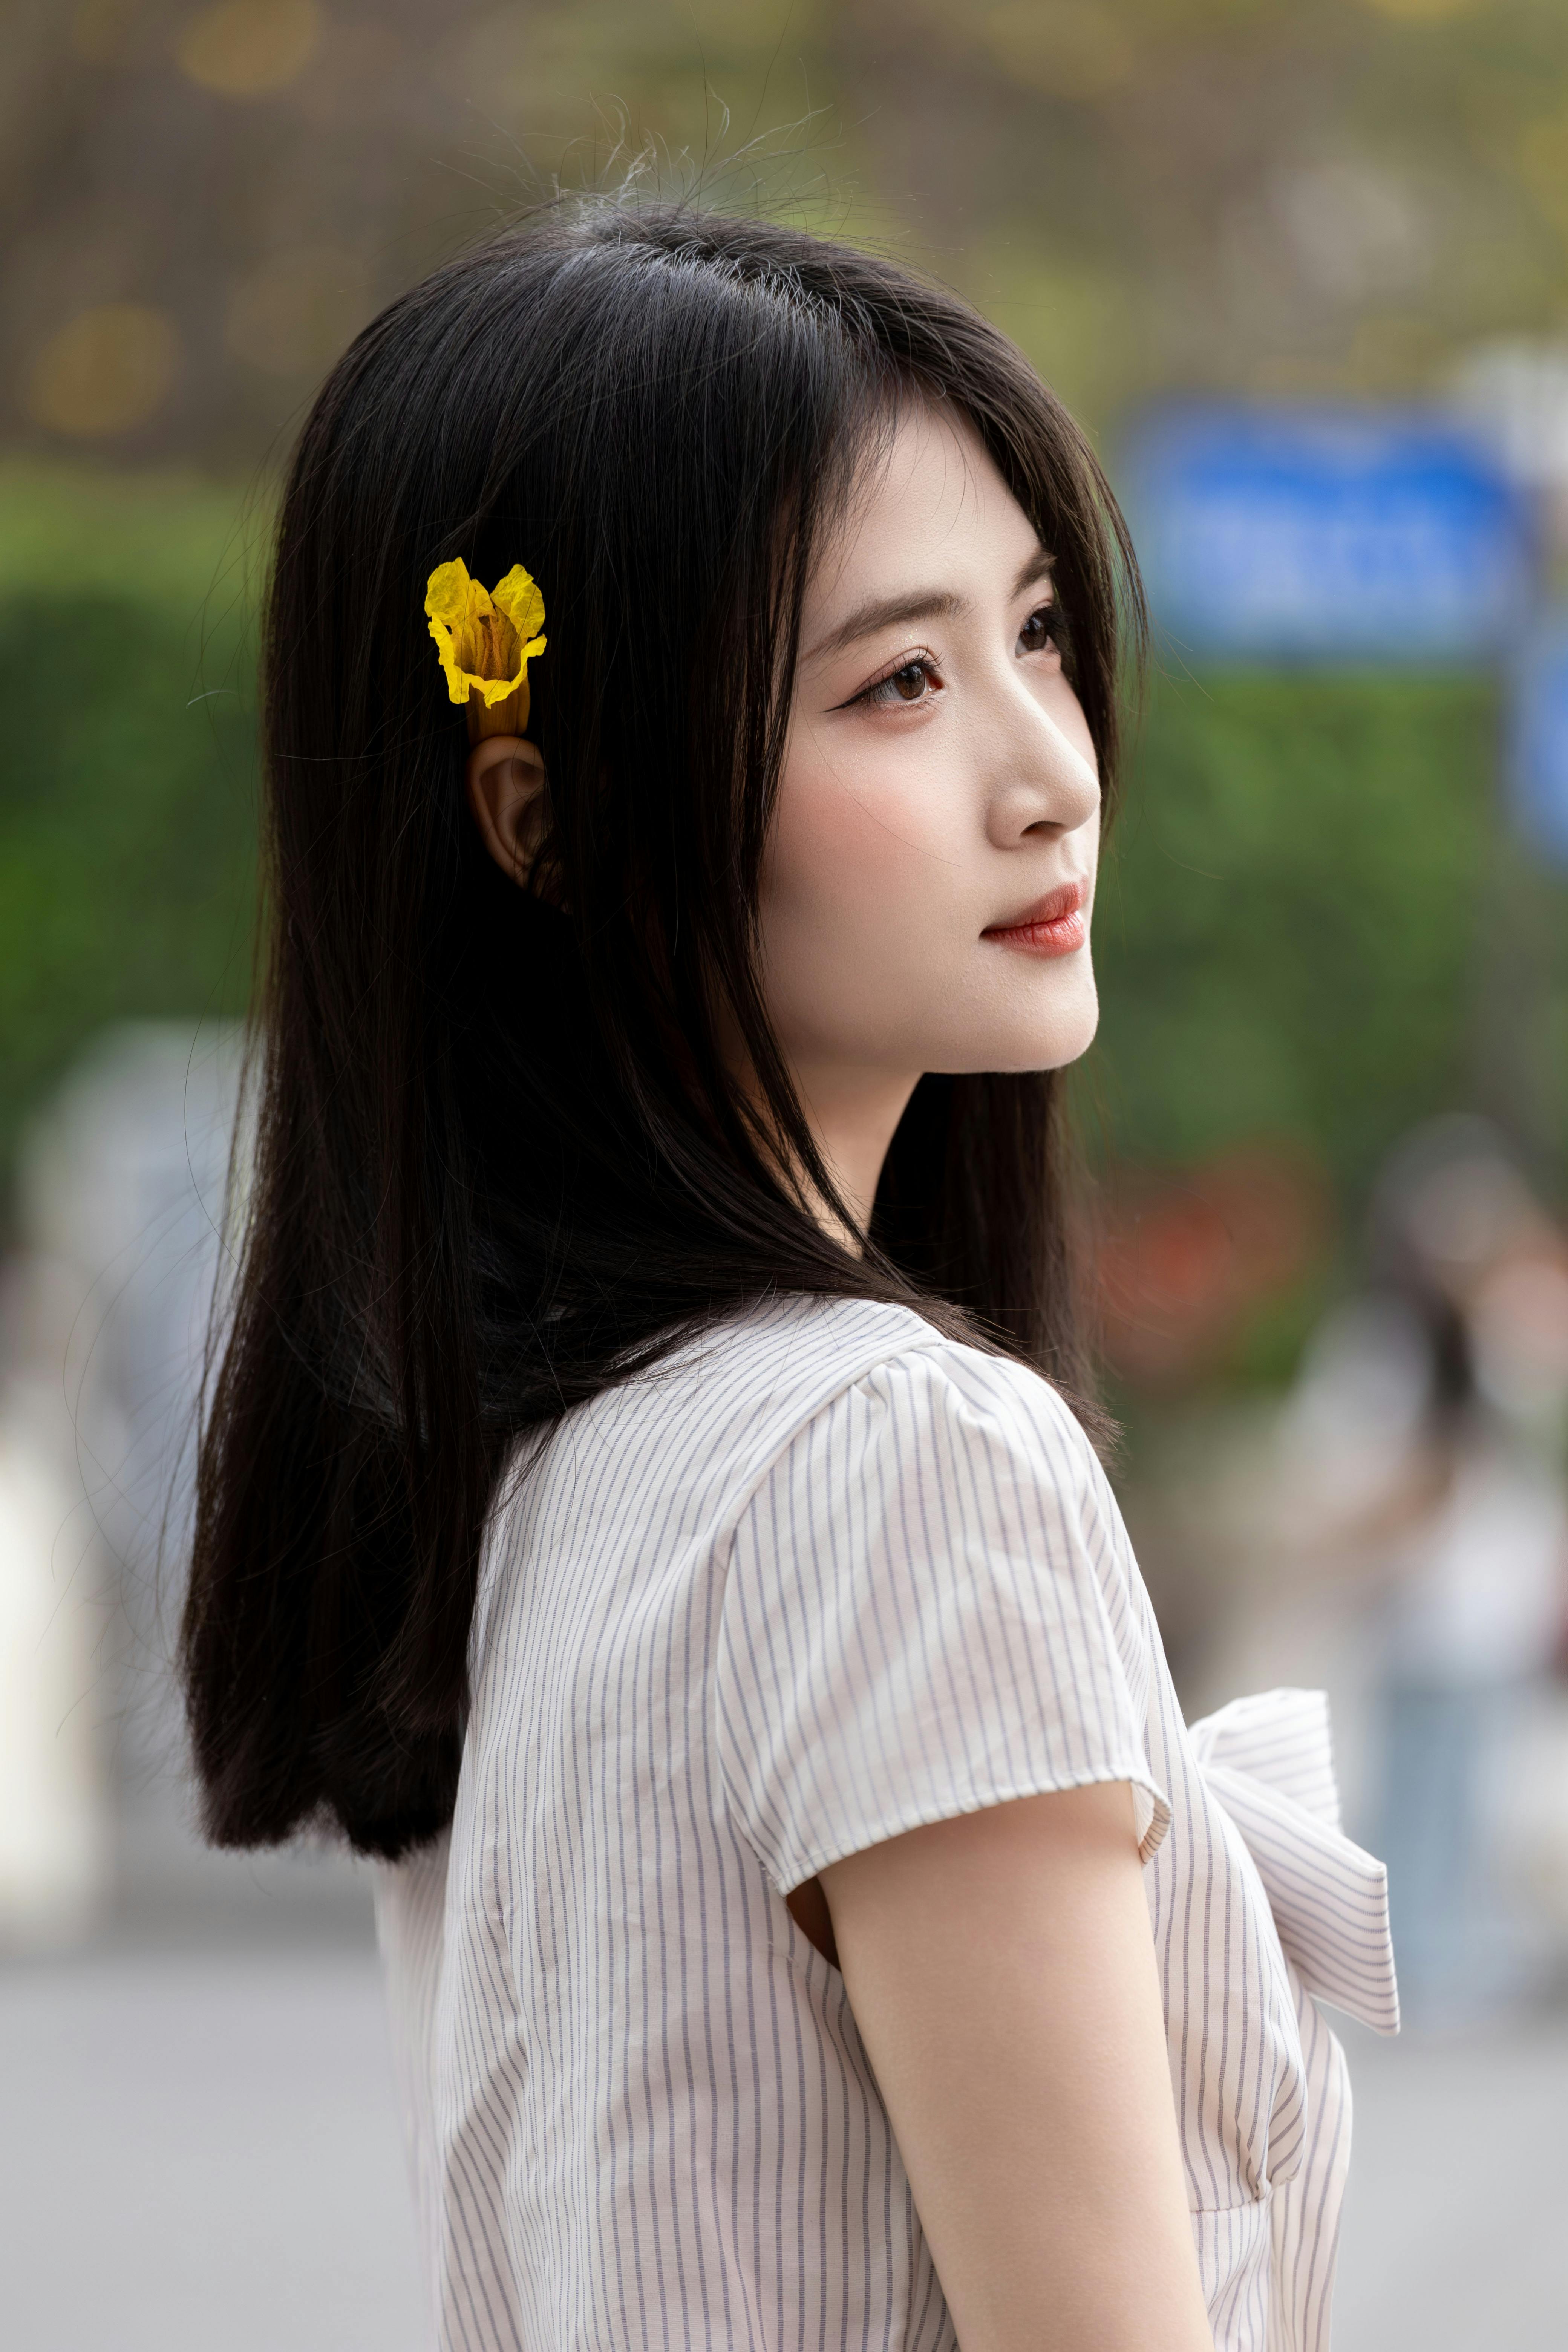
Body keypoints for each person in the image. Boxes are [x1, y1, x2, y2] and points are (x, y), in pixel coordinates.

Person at [180, 199, 1396, 2352]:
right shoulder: (896, 1456)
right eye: (900, 682)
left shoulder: (547, 1475)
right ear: (538, 817)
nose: (1052, 772)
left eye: (1038, 632)